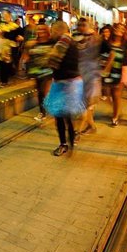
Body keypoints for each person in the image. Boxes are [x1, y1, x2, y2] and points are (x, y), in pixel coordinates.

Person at [44, 21, 85, 156]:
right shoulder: (72, 42)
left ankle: (64, 144)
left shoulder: (63, 42)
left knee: (60, 115)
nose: (51, 33)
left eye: (52, 31)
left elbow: (52, 62)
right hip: (73, 81)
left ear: (58, 31)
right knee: (66, 114)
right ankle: (71, 139)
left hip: (65, 83)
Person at [72, 18, 101, 135]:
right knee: (83, 102)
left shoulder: (95, 38)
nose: (81, 27)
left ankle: (78, 131)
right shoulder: (76, 38)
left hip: (91, 73)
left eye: (84, 25)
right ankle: (91, 126)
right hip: (79, 73)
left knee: (86, 103)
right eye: (79, 25)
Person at [22, 23, 53, 121]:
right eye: (39, 30)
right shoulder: (33, 43)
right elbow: (27, 55)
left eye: (43, 30)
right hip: (36, 71)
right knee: (40, 92)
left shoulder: (52, 42)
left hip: (48, 71)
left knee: (44, 91)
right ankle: (42, 112)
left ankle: (46, 111)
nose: (40, 32)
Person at [101, 24, 127, 126]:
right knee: (106, 93)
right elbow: (101, 54)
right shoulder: (107, 43)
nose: (119, 30)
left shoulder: (125, 45)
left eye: (122, 28)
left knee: (116, 95)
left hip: (119, 72)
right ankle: (116, 111)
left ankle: (115, 116)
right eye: (117, 28)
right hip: (106, 71)